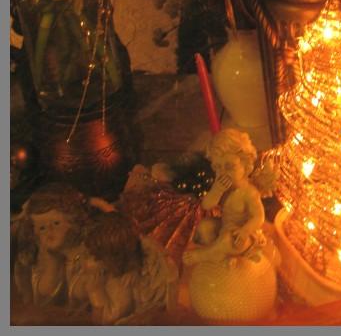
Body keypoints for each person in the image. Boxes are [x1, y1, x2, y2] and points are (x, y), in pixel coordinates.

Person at [183, 129, 266, 265]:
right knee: (204, 227)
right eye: (218, 168)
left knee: (228, 240)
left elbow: (259, 217)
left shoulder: (249, 192)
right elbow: (206, 205)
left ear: (245, 165)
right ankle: (219, 253)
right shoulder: (223, 189)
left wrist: (245, 230)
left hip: (244, 236)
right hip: (225, 227)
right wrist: (217, 191)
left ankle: (209, 255)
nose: (223, 173)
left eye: (229, 167)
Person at [83, 212, 178, 325]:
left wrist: (95, 291)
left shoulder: (123, 283)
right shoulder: (109, 271)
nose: (89, 260)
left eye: (97, 256)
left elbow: (106, 320)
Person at [13, 183, 92, 309]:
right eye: (42, 228)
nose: (49, 231)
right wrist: (51, 259)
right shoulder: (39, 256)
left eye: (56, 223)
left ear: (74, 222)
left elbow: (83, 295)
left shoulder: (85, 253)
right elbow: (44, 297)